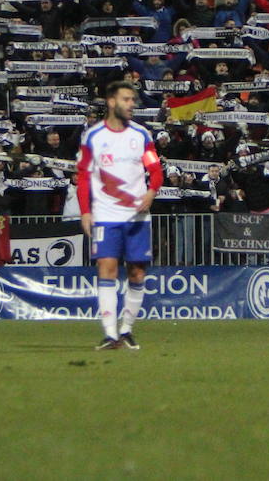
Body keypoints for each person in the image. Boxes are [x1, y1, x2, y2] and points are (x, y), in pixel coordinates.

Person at [77, 81, 163, 351]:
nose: (131, 104)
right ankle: (110, 334)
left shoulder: (141, 134)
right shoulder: (93, 136)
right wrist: (85, 211)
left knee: (136, 273)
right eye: (126, 99)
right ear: (111, 102)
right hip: (105, 214)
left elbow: (155, 170)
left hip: (137, 216)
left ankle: (126, 329)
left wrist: (151, 192)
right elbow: (83, 176)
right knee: (107, 268)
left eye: (133, 100)